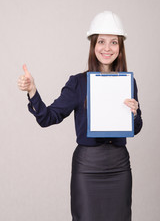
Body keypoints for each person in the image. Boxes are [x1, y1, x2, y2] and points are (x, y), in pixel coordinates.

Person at [18, 11, 143, 221]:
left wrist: (134, 114)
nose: (107, 48)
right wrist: (33, 91)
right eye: (101, 41)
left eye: (113, 42)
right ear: (93, 45)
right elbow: (47, 118)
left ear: (120, 47)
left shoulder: (128, 83)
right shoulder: (78, 83)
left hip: (119, 166)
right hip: (87, 167)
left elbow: (136, 127)